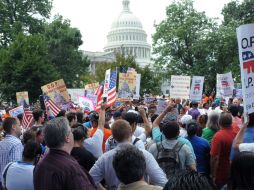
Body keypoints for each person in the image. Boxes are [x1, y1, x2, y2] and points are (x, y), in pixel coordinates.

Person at [89, 119, 167, 190]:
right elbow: (162, 181)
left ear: (113, 136)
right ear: (131, 132)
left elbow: (90, 180)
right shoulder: (144, 154)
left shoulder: (105, 158)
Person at [33, 117, 96, 190]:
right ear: (67, 138)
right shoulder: (70, 167)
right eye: (70, 131)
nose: (72, 133)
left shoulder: (40, 164)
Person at [210, 112, 237, 188]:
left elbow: (214, 158)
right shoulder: (237, 132)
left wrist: (213, 175)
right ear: (231, 122)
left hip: (222, 174)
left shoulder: (218, 136)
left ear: (219, 122)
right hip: (235, 172)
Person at [0, 117, 23, 189]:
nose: (21, 127)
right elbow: (15, 168)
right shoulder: (16, 144)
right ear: (13, 127)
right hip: (10, 185)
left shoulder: (1, 142)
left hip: (2, 182)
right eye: (19, 125)